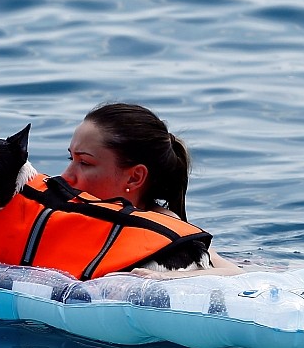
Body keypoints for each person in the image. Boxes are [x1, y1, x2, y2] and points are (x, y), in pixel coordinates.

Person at [63, 102, 242, 278]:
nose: (65, 176)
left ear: (134, 178)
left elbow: (234, 273)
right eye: (71, 158)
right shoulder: (64, 216)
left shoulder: (165, 230)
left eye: (85, 163)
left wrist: (164, 278)